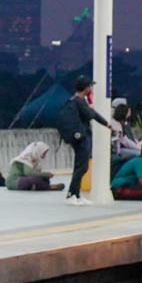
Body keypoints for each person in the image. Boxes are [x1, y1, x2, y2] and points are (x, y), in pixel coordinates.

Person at [60, 76, 113, 206]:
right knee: (82, 167)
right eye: (90, 86)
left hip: (79, 137)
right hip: (82, 138)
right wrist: (106, 123)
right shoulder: (79, 102)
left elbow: (92, 113)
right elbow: (90, 114)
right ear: (86, 88)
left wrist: (106, 123)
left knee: (80, 166)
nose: (91, 88)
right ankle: (71, 194)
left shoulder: (76, 100)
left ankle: (76, 194)